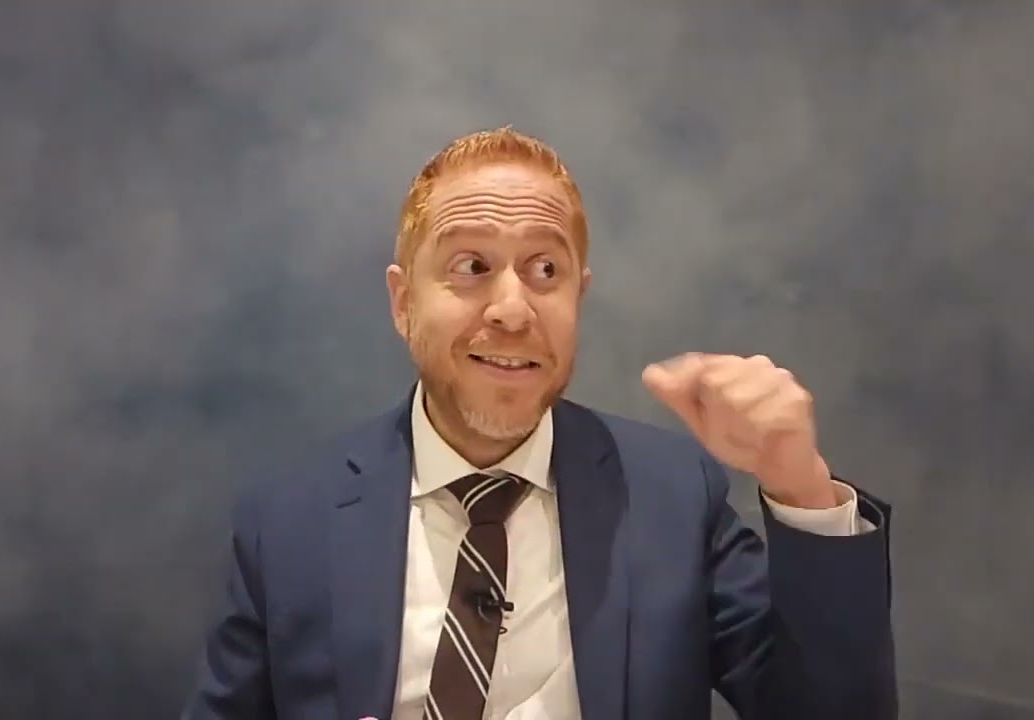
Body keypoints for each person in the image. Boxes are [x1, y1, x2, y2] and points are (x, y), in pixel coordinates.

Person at [182, 127, 897, 720]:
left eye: (546, 271)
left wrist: (801, 487)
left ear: (579, 295)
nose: (512, 310)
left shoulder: (675, 496)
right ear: (403, 303)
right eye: (471, 265)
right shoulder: (288, 517)